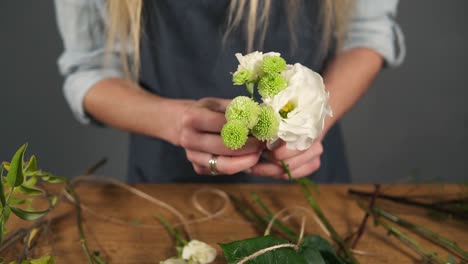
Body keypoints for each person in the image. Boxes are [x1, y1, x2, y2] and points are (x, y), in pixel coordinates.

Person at [54, 0, 405, 183]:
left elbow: (366, 33)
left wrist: (308, 125)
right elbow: (90, 69)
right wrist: (178, 124)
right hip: (166, 184)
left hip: (308, 180)